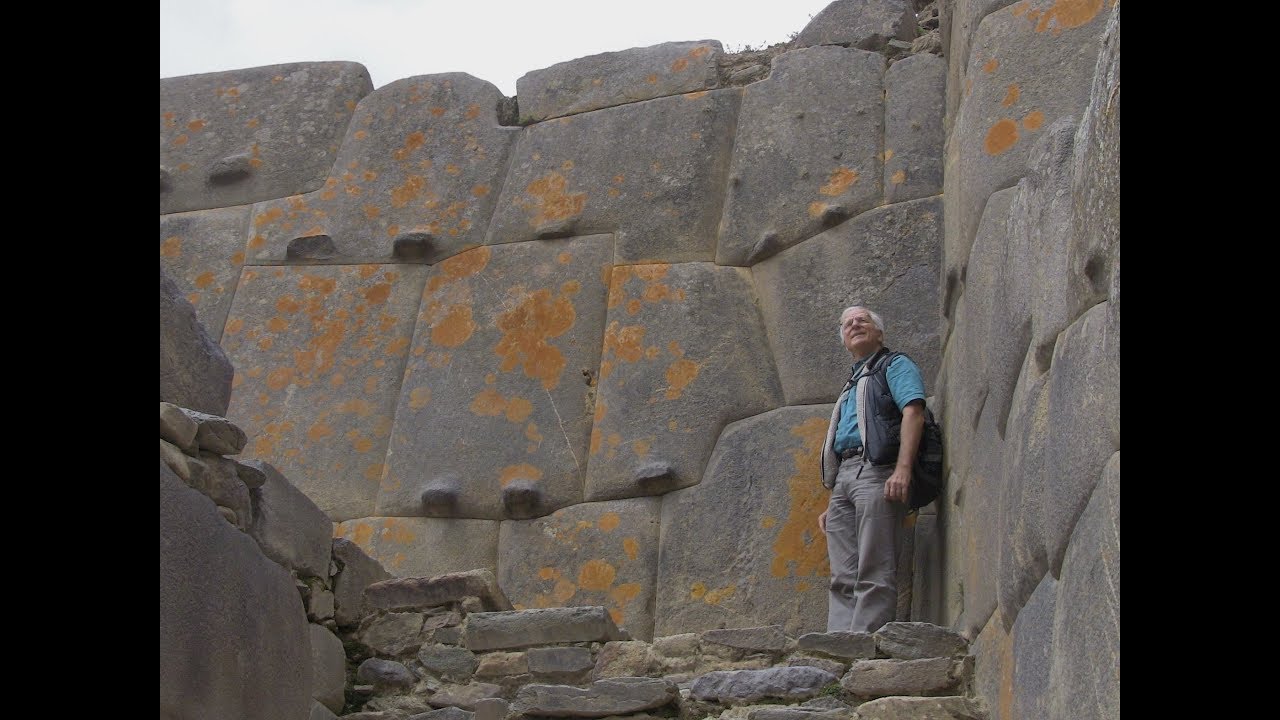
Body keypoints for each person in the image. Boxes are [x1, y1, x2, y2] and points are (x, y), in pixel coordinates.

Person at [818, 305, 927, 633]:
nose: (854, 324)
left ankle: (865, 643)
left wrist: (902, 469)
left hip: (878, 471)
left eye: (862, 319)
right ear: (844, 339)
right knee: (843, 574)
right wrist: (832, 497)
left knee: (874, 565)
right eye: (847, 323)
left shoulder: (895, 365)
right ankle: (839, 644)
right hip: (845, 479)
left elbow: (913, 412)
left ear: (879, 332)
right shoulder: (853, 382)